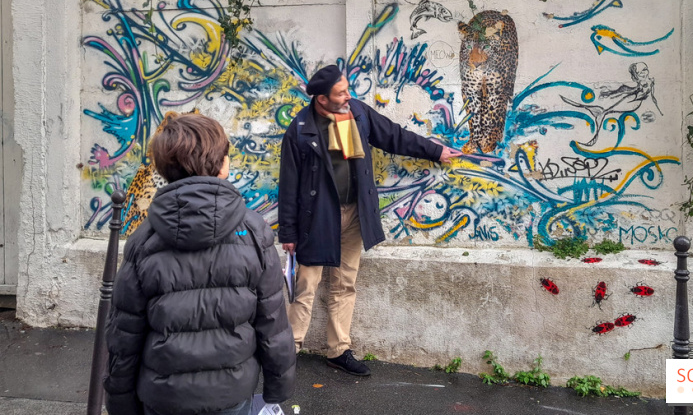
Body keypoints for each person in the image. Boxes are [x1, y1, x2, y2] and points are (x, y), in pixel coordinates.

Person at [103, 113, 296, 415]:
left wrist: (120, 402)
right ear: (222, 164)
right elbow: (272, 323)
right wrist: (278, 387)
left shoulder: (143, 241)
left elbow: (124, 335)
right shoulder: (255, 233)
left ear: (165, 169)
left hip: (164, 397)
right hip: (231, 394)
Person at [278, 64, 462, 376]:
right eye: (341, 93)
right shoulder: (300, 130)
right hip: (317, 219)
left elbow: (394, 136)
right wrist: (288, 233)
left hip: (355, 213)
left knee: (344, 283)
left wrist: (435, 151)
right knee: (306, 286)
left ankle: (338, 350)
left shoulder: (357, 113)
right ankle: (287, 353)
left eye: (347, 89)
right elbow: (288, 184)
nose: (348, 96)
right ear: (322, 99)